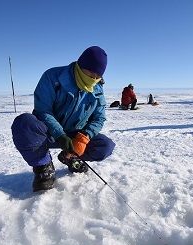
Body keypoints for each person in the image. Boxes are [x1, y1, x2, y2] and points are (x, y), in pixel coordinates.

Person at [11, 46, 116, 192]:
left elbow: (99, 117)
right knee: (24, 124)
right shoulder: (53, 76)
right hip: (48, 133)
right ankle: (43, 167)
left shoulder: (97, 88)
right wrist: (60, 135)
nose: (93, 78)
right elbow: (43, 110)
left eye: (98, 76)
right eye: (91, 72)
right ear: (81, 65)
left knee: (105, 146)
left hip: (75, 136)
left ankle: (71, 157)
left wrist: (83, 138)